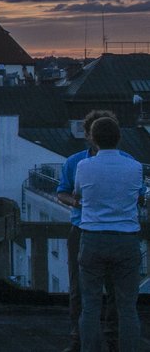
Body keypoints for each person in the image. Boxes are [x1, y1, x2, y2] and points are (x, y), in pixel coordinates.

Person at [55, 110, 124, 352]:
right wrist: (74, 203)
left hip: (102, 230)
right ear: (88, 135)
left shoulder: (120, 160)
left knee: (113, 290)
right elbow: (61, 191)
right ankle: (79, 339)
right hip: (84, 228)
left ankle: (109, 338)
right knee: (79, 289)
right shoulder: (75, 162)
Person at [73, 116, 144, 352]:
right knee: (127, 307)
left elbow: (78, 195)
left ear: (93, 139)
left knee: (91, 305)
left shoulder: (84, 166)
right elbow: (139, 197)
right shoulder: (135, 168)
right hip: (126, 239)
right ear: (119, 138)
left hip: (93, 238)